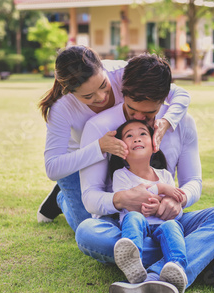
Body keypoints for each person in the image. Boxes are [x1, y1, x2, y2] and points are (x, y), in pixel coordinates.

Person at [75, 54, 214, 293]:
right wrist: (121, 199)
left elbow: (193, 181)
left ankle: (154, 278)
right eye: (132, 110)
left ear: (165, 99)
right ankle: (203, 260)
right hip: (123, 223)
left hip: (170, 222)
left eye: (150, 112)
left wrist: (178, 199)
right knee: (88, 232)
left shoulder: (182, 123)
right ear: (123, 92)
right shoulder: (99, 127)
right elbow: (90, 197)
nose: (140, 119)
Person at [36, 46, 190, 232]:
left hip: (117, 151)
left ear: (102, 67)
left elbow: (180, 94)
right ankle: (61, 199)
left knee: (115, 212)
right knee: (85, 224)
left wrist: (167, 121)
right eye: (88, 96)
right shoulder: (62, 108)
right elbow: (53, 168)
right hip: (75, 162)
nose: (101, 97)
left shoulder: (121, 73)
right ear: (70, 92)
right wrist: (99, 147)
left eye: (103, 85)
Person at [111, 119, 189, 293]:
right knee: (133, 217)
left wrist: (161, 204)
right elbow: (131, 200)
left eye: (143, 134)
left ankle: (176, 268)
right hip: (139, 224)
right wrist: (162, 189)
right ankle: (133, 259)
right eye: (129, 136)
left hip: (163, 223)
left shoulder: (165, 174)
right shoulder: (121, 175)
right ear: (123, 151)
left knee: (172, 226)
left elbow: (176, 205)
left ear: (154, 146)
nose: (136, 138)